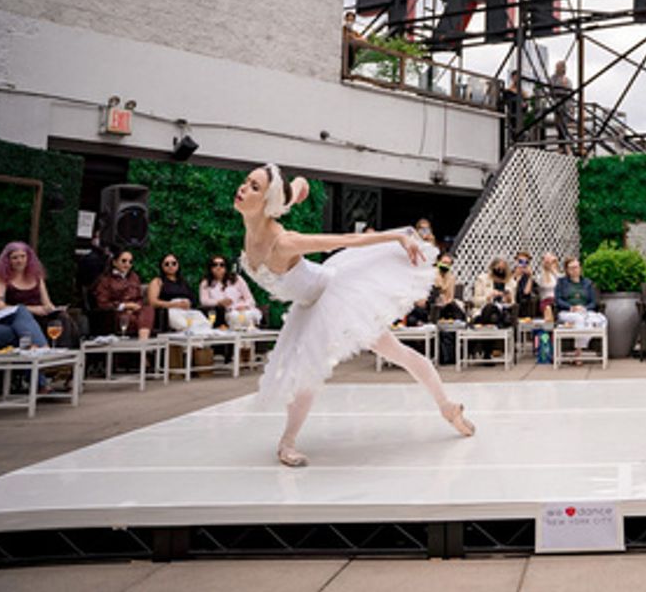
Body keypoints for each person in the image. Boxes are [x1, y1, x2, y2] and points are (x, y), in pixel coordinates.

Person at [235, 163, 473, 467]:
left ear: (268, 201)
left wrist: (397, 237)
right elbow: (297, 186)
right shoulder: (254, 224)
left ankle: (288, 442)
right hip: (308, 305)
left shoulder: (285, 242)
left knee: (317, 367)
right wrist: (299, 188)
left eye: (254, 186)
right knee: (386, 352)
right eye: (246, 182)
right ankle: (447, 407)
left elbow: (348, 239)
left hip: (333, 296)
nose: (243, 188)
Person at [0, 241, 76, 347]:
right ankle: (45, 350)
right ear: (7, 261)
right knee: (24, 316)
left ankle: (64, 351)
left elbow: (47, 303)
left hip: (40, 316)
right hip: (16, 317)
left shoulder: (36, 276)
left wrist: (52, 309)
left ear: (29, 258)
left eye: (23, 256)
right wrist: (32, 309)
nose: (19, 261)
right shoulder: (2, 278)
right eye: (15, 258)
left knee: (63, 318)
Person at [555, 256, 606, 363]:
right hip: (567, 312)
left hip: (585, 311)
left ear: (580, 268)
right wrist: (571, 307)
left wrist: (584, 308)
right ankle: (579, 353)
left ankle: (579, 350)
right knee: (579, 319)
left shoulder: (588, 283)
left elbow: (593, 302)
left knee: (601, 320)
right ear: (567, 270)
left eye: (576, 267)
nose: (575, 270)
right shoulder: (561, 282)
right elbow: (558, 300)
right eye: (571, 268)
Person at [93, 250, 155, 338]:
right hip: (116, 313)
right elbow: (102, 303)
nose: (127, 264)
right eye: (124, 261)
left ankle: (143, 340)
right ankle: (144, 341)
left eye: (130, 262)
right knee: (132, 319)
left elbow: (139, 298)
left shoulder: (134, 277)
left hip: (136, 310)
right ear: (114, 262)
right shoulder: (106, 280)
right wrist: (125, 306)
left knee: (148, 309)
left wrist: (135, 307)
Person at [147, 253, 211, 332]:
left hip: (187, 310)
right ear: (162, 266)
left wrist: (188, 303)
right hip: (169, 311)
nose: (170, 266)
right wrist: (174, 304)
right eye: (167, 264)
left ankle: (197, 339)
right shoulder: (157, 281)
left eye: (174, 263)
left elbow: (193, 299)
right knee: (184, 325)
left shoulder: (183, 282)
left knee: (205, 323)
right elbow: (152, 302)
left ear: (178, 265)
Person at [199, 255, 264, 328]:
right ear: (210, 268)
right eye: (214, 265)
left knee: (248, 315)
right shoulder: (206, 283)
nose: (218, 267)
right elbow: (204, 301)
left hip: (244, 309)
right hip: (228, 313)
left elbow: (250, 299)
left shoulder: (237, 279)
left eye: (222, 265)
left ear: (226, 267)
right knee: (234, 316)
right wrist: (218, 302)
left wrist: (244, 306)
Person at [511, 251, 540, 320]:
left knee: (526, 300)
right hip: (513, 300)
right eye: (520, 262)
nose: (523, 265)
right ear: (516, 262)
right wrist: (516, 277)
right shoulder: (510, 274)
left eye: (526, 262)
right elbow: (511, 290)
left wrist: (530, 276)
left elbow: (526, 292)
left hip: (525, 302)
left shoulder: (528, 277)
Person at [536, 251, 561, 321]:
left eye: (552, 262)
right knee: (548, 308)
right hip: (546, 301)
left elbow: (562, 284)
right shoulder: (540, 276)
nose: (550, 264)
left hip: (557, 300)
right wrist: (545, 270)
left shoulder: (557, 275)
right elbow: (545, 285)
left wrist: (553, 270)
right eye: (548, 262)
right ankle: (550, 325)